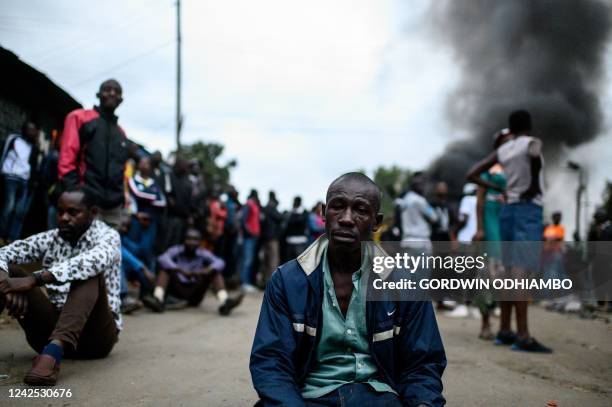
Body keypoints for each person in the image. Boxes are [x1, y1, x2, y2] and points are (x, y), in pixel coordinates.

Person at [250, 173, 446, 406]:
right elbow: (271, 361)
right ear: (323, 213)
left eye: (361, 210)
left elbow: (423, 365)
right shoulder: (287, 280)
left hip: (380, 398)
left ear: (377, 221)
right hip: (308, 399)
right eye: (338, 207)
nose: (346, 218)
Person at [0, 187, 122, 385]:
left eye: (73, 212)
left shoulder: (108, 236)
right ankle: (52, 348)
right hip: (48, 333)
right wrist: (7, 285)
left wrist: (35, 279)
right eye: (60, 212)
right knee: (9, 269)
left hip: (96, 338)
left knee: (88, 272)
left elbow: (93, 261)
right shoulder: (51, 237)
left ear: (92, 213)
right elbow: (4, 253)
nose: (64, 218)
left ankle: (52, 356)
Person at [467, 109, 552, 353]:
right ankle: (523, 335)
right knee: (521, 272)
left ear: (511, 129)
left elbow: (471, 174)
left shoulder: (503, 151)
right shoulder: (530, 143)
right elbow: (535, 155)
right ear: (529, 125)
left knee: (507, 272)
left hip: (508, 212)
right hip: (527, 210)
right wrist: (533, 185)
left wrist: (495, 186)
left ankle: (504, 330)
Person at [58, 79, 130, 229]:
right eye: (107, 89)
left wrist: (123, 202)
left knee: (109, 251)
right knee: (81, 249)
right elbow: (67, 158)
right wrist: (77, 194)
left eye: (117, 92)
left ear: (121, 100)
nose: (112, 93)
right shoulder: (79, 118)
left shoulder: (122, 134)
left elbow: (121, 171)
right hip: (86, 204)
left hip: (114, 208)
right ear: (98, 94)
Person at [154, 228, 243, 315]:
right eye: (189, 239)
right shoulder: (177, 250)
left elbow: (220, 262)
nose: (192, 242)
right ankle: (158, 299)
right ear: (184, 240)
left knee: (214, 272)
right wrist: (179, 270)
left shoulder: (202, 253)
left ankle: (225, 302)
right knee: (164, 270)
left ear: (200, 242)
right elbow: (162, 258)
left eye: (195, 240)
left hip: (195, 293)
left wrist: (205, 271)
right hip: (177, 291)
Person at [0, 121, 40, 244]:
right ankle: (1, 235)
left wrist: (33, 180)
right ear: (25, 130)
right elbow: (3, 153)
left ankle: (12, 238)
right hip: (11, 177)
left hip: (25, 181)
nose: (33, 133)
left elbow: (33, 165)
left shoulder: (33, 147)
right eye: (31, 130)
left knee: (20, 211)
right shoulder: (14, 139)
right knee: (9, 207)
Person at [240, 189, 261, 293]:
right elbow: (243, 220)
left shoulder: (253, 205)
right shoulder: (249, 204)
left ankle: (247, 283)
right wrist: (250, 232)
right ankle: (245, 283)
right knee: (247, 260)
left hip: (253, 237)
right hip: (249, 237)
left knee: (250, 260)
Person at [261, 191, 283, 286]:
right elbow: (280, 217)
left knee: (265, 261)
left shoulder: (264, 208)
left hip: (264, 237)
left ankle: (265, 281)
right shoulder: (272, 208)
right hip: (272, 237)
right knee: (273, 261)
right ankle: (272, 283)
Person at [283, 196, 309, 261]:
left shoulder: (303, 212)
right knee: (290, 263)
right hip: (290, 240)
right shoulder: (291, 212)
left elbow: (297, 222)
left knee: (300, 262)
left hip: (300, 241)